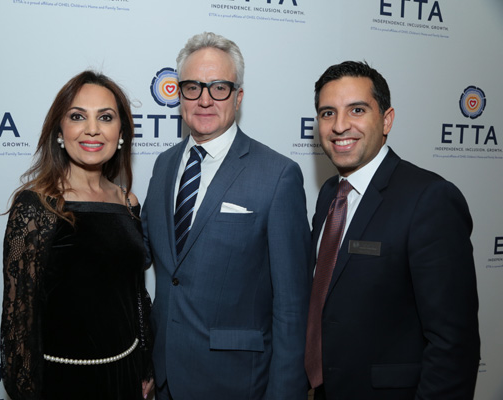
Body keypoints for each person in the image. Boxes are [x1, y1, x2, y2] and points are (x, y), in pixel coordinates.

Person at [141, 32, 311, 400]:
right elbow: (147, 256)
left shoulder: (278, 176)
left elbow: (292, 307)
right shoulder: (164, 164)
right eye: (192, 87)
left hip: (236, 382)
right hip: (165, 376)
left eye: (219, 87)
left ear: (238, 96)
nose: (204, 100)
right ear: (179, 94)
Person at [305, 60, 480, 399]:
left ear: (386, 120)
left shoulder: (429, 199)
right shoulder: (329, 193)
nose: (340, 125)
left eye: (357, 110)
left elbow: (453, 344)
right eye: (328, 113)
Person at [0, 71, 154, 400]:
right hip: (63, 382)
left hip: (126, 375)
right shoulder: (37, 206)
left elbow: (135, 295)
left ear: (121, 132)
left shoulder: (128, 202)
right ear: (60, 130)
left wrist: (145, 365)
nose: (92, 129)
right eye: (78, 116)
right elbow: (19, 319)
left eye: (106, 117)